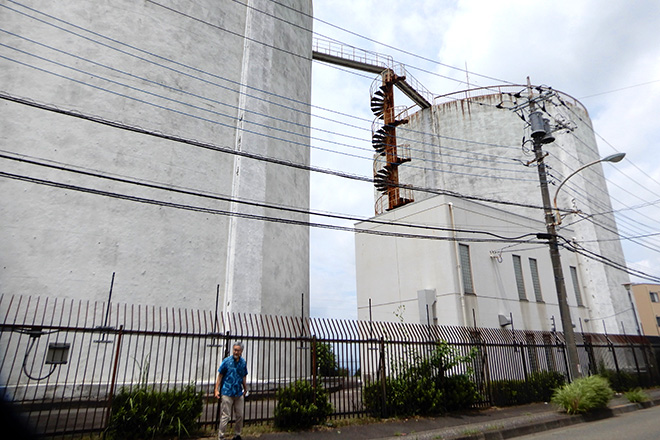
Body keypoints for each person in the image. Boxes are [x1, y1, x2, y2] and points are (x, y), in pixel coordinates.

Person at [215, 342, 248, 440]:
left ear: (241, 352)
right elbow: (220, 375)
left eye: (238, 350)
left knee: (240, 415)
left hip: (238, 392)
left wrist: (245, 388)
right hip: (227, 392)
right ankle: (221, 436)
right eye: (234, 350)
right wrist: (216, 389)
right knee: (226, 415)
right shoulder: (227, 361)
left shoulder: (243, 362)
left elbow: (243, 376)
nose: (235, 352)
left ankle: (237, 434)